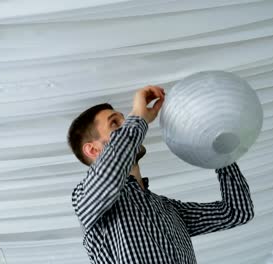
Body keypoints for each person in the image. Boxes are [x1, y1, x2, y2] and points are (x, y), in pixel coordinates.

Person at [67, 85, 254, 264]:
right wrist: (139, 115)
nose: (126, 125)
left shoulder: (167, 208)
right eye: (115, 123)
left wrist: (220, 154)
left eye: (125, 119)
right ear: (92, 150)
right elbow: (111, 171)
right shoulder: (84, 198)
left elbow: (236, 212)